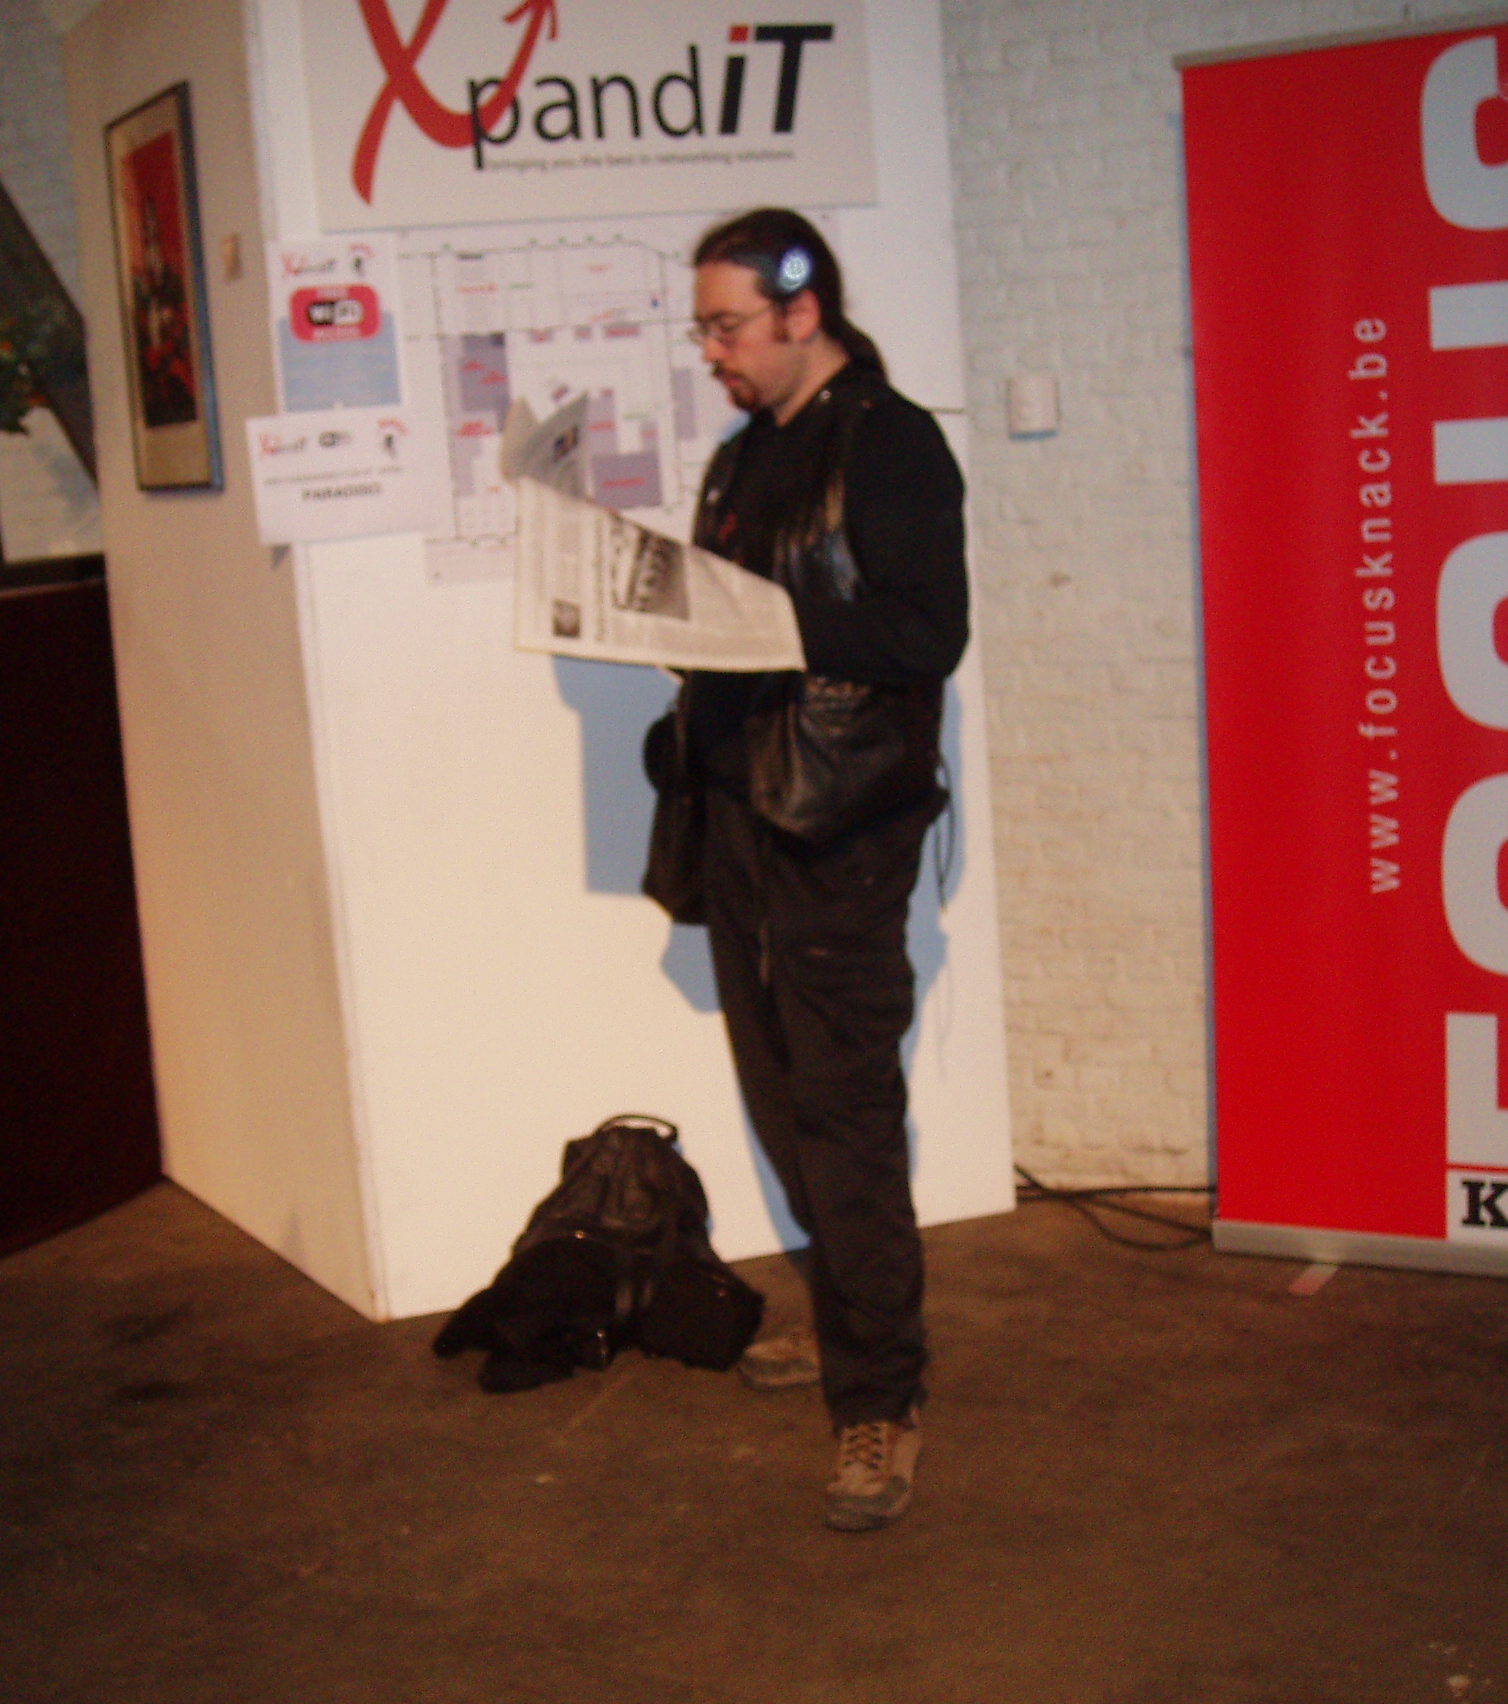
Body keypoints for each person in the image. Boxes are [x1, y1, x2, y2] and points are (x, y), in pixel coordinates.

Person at [678, 208, 967, 1531]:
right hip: (742, 814)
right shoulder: (744, 454)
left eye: (729, 326)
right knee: (782, 1094)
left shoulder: (890, 443)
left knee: (843, 1112)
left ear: (803, 311)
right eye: (704, 330)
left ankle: (881, 1400)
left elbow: (924, 633)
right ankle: (850, 1315)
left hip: (842, 825)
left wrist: (763, 619)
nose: (714, 353)